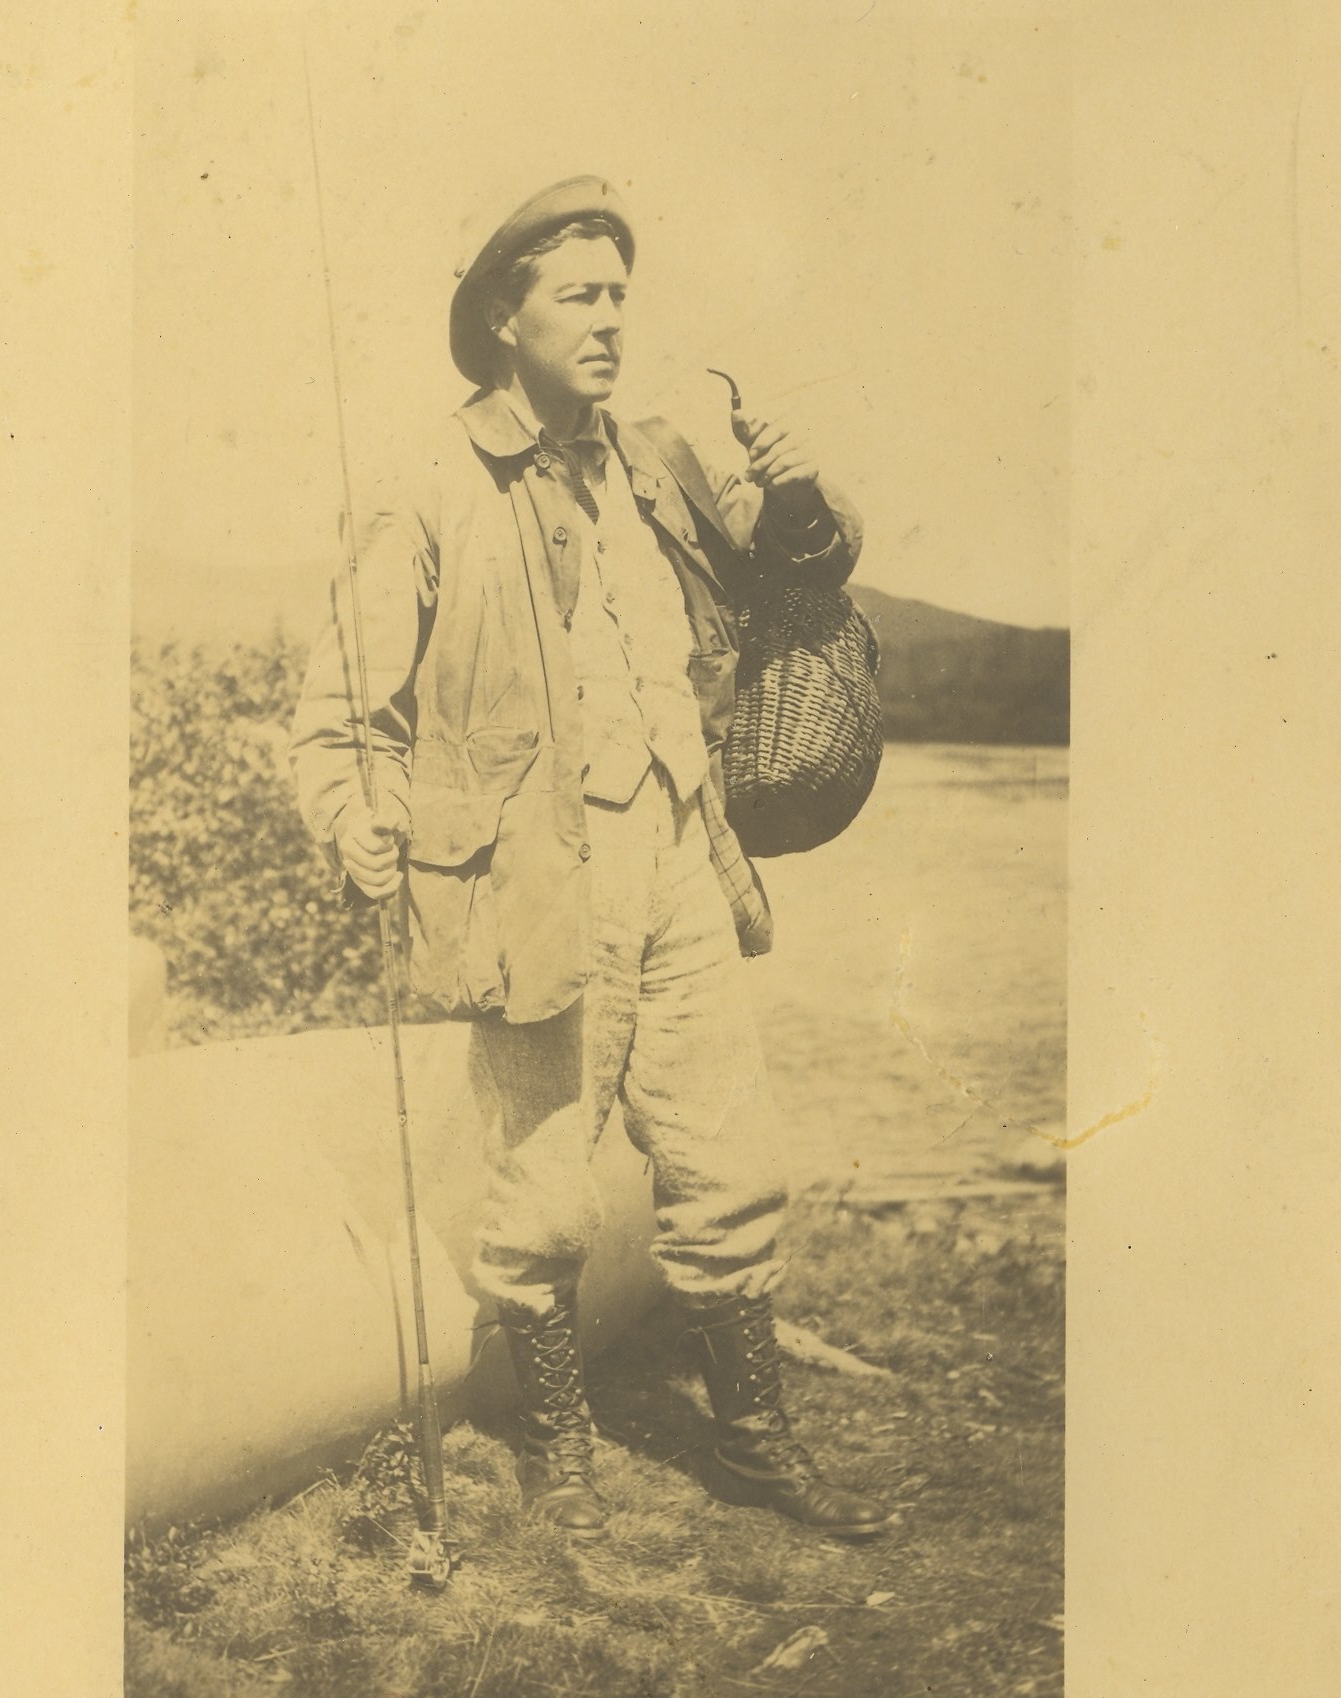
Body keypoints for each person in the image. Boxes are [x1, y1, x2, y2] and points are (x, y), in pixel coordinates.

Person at [290, 176, 885, 1542]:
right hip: (532, 880)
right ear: (504, 318)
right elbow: (338, 723)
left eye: (622, 294)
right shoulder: (425, 491)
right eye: (579, 294)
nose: (613, 319)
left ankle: (751, 1436)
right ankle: (561, 1455)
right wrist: (360, 818)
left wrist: (798, 492)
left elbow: (805, 570)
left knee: (731, 1154)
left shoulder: (662, 459)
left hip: (686, 845)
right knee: (546, 1180)